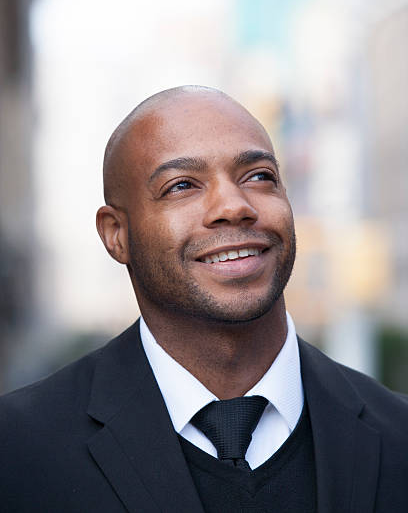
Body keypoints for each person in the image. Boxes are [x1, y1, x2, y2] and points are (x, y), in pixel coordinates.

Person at [0, 85, 407, 513]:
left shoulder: (398, 436)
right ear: (116, 235)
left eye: (259, 176)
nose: (234, 205)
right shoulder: (17, 451)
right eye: (181, 186)